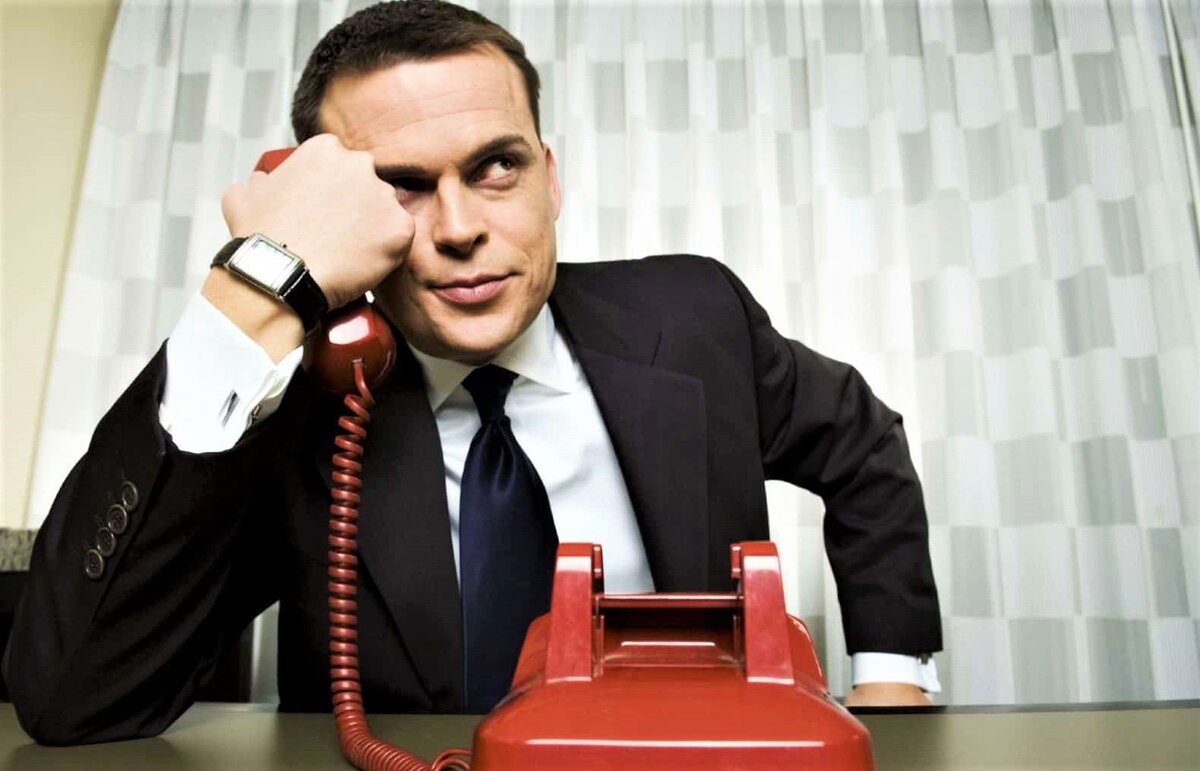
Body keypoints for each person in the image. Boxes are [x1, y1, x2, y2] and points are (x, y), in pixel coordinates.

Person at [5, 0, 941, 746]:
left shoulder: (696, 316)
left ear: (549, 177)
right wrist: (252, 292)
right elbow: (75, 698)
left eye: (497, 166)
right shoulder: (293, 410)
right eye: (402, 184)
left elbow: (862, 446)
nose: (459, 229)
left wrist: (893, 680)